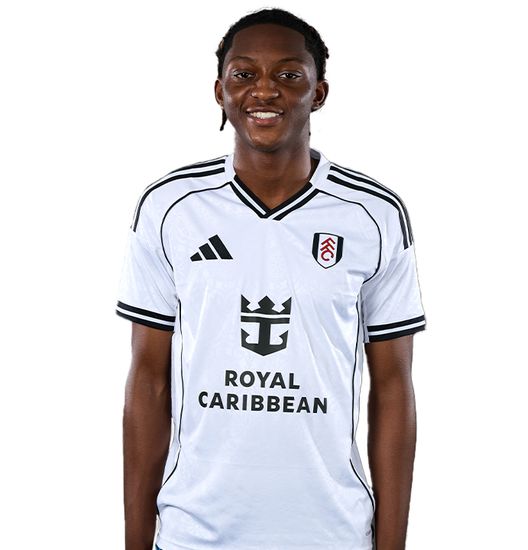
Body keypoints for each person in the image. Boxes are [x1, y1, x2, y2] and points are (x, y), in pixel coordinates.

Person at [116, 7, 426, 550]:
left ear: (318, 92)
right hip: (195, 534)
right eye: (244, 74)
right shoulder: (170, 209)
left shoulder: (372, 215)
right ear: (220, 91)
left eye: (288, 74)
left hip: (332, 534)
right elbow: (148, 380)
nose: (264, 90)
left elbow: (394, 389)